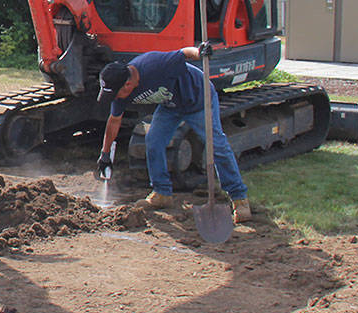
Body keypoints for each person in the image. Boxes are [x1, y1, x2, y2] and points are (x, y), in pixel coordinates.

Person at [95, 43, 251, 223]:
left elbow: (184, 53)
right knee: (153, 141)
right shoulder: (120, 91)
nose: (115, 99)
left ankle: (239, 199)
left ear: (127, 84)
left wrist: (200, 52)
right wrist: (105, 153)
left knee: (217, 146)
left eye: (115, 94)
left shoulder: (154, 65)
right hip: (171, 107)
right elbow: (114, 121)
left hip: (199, 99)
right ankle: (162, 193)